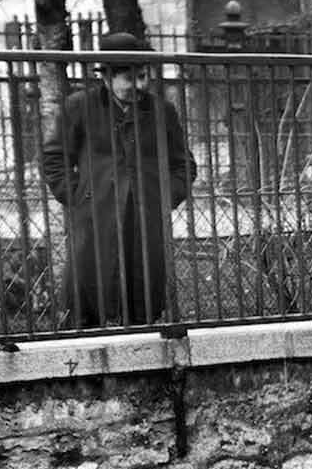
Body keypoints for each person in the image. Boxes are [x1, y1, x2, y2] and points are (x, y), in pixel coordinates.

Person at [41, 32, 197, 328]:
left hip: (144, 215)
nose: (139, 86)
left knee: (143, 294)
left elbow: (183, 164)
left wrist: (164, 197)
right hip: (95, 215)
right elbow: (54, 158)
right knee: (90, 289)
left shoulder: (161, 111)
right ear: (107, 77)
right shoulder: (79, 106)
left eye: (142, 76)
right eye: (130, 79)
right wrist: (79, 196)